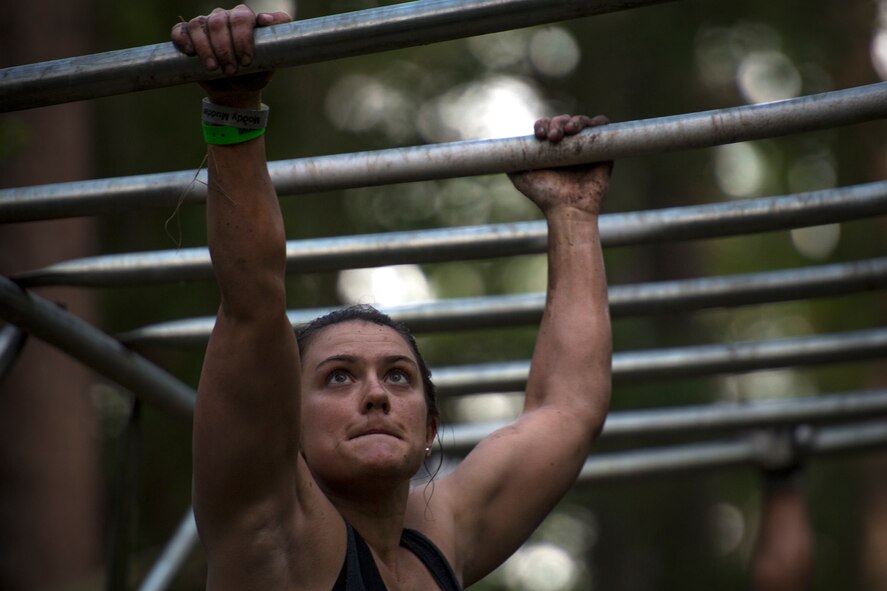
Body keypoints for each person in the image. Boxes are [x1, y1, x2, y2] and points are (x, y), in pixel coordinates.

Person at [172, 5, 613, 589]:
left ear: (430, 427)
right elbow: (253, 303)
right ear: (287, 424)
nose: (376, 395)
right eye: (338, 377)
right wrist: (234, 111)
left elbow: (568, 409)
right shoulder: (274, 534)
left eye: (399, 377)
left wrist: (574, 213)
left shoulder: (443, 537)